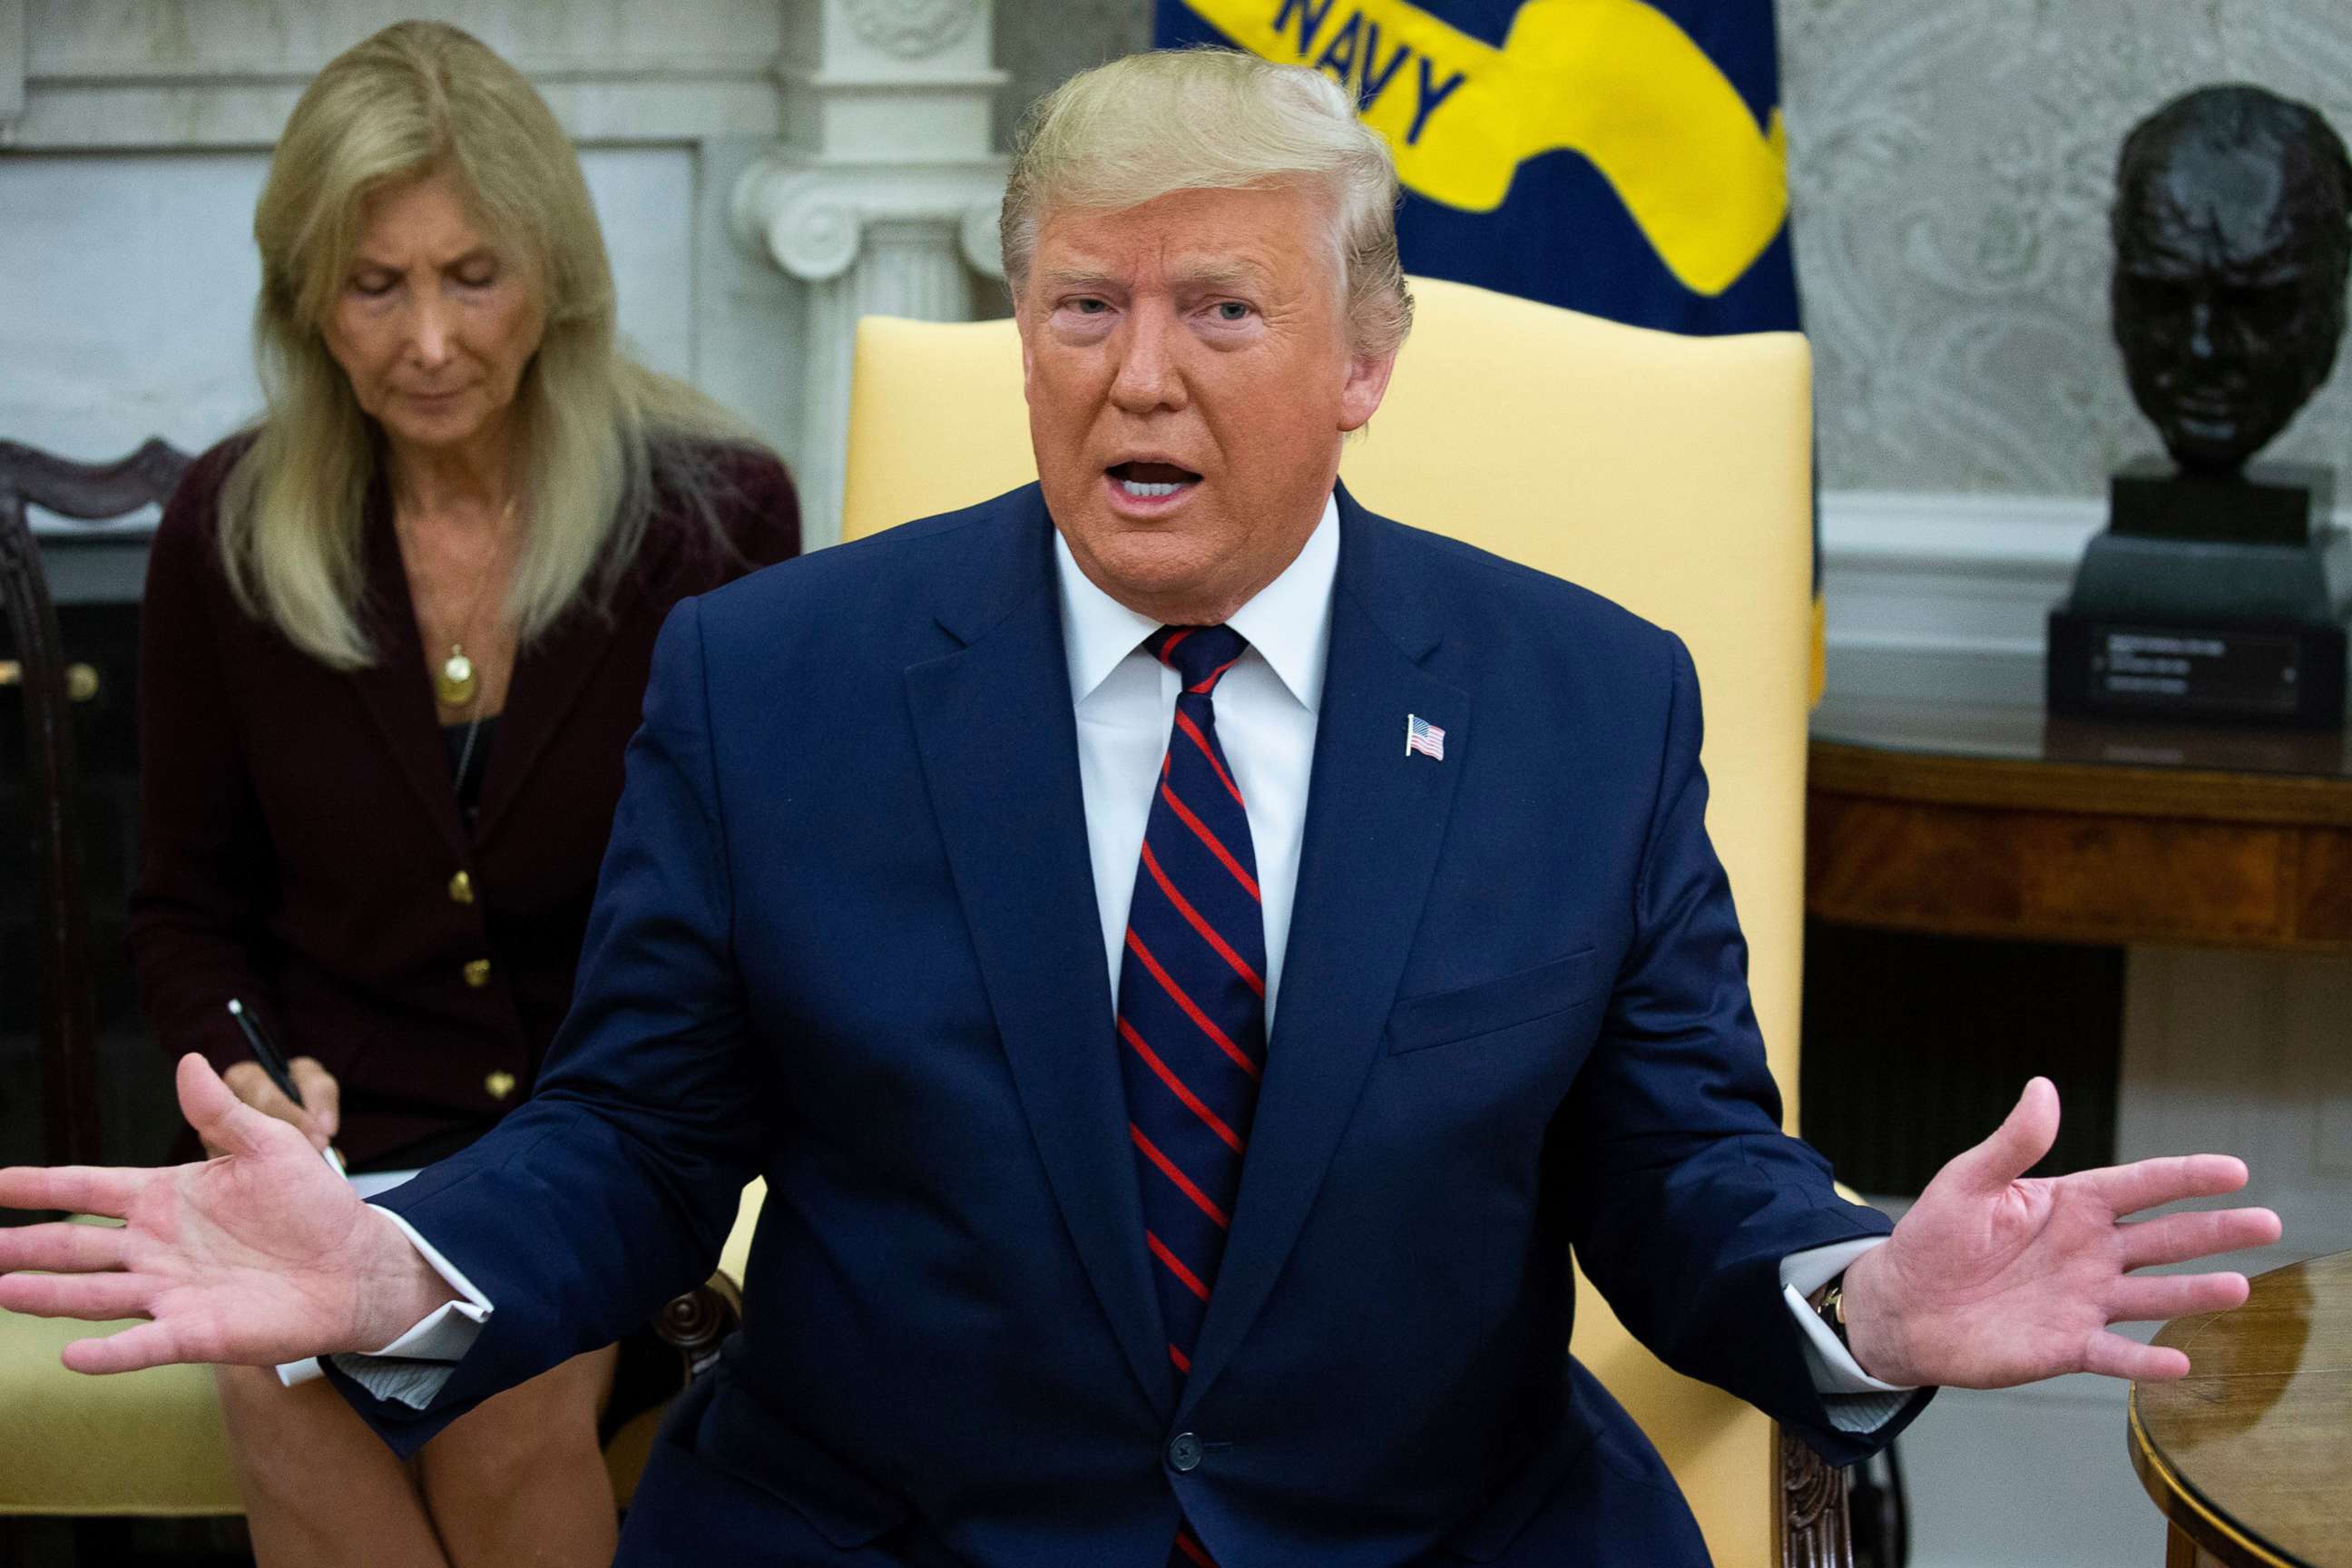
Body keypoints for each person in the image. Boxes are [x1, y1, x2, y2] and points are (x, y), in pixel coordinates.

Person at [3, 49, 2276, 1567]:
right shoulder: (780, 679)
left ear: (1366, 362)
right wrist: (408, 1260)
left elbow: (1675, 1163)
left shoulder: (1582, 700)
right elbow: (636, 1136)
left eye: (1220, 305)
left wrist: (1864, 1293)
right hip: (884, 1533)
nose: (1139, 371)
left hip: (1434, 1534)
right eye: (1082, 304)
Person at [114, 21, 797, 1568]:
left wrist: (617, 1148)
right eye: (376, 285)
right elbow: (185, 908)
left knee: (497, 1385)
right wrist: (256, 1081)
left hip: (599, 1160)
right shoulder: (224, 526)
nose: (428, 340)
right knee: (267, 1366)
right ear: (311, 304)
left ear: (552, 277)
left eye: (470, 276)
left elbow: (766, 902)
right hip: (328, 1161)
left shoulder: (714, 515)